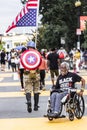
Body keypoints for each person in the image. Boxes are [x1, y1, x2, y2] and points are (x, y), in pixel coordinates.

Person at [23, 41, 40, 113]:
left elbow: (21, 64)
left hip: (27, 73)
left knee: (28, 90)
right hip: (36, 73)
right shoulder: (37, 53)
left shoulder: (24, 54)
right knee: (36, 90)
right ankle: (36, 106)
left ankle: (29, 101)